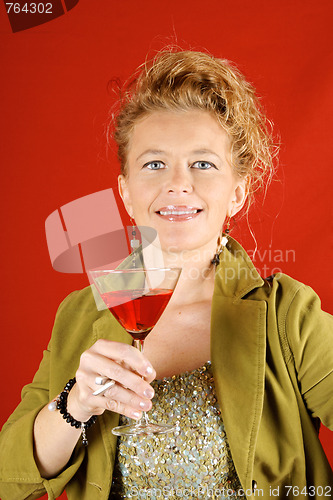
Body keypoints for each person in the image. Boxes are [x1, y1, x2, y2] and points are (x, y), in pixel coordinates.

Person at [0, 49, 332, 500]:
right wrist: (73, 406)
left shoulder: (288, 314)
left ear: (237, 193)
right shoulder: (80, 314)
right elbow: (7, 478)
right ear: (126, 192)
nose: (178, 183)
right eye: (154, 164)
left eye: (203, 163)